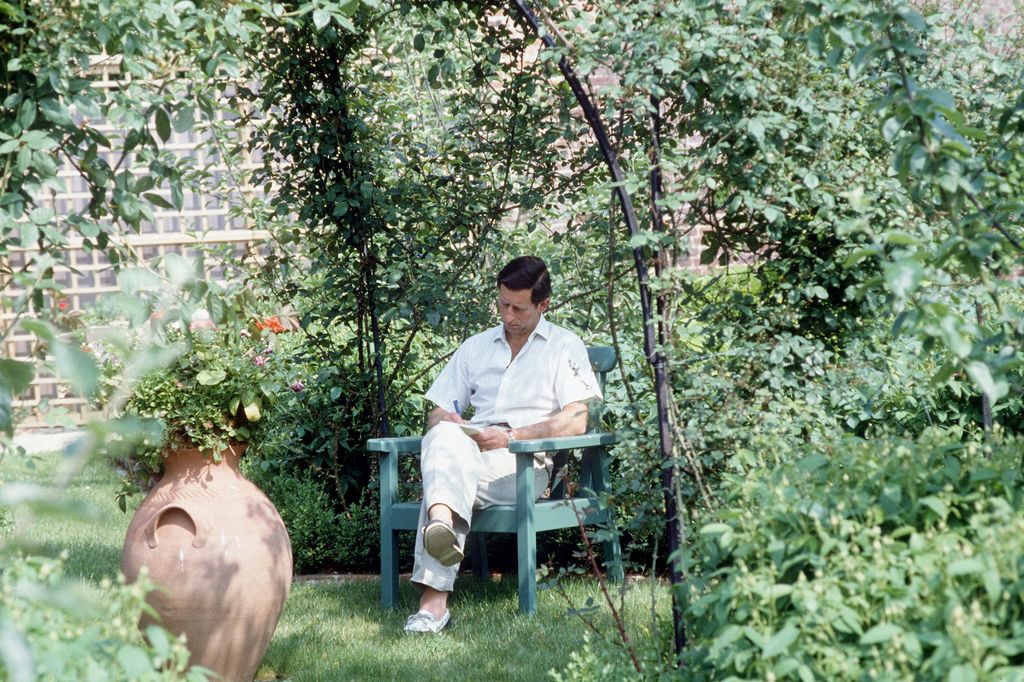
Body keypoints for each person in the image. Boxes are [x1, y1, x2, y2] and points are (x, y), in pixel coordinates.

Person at [403, 255, 603, 634]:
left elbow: (579, 418)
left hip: (523, 466)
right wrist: (452, 422)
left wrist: (512, 437)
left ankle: (433, 591)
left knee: (441, 480)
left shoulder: (563, 346)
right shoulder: (476, 347)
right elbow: (437, 412)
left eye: (518, 307)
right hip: (468, 453)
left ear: (543, 304)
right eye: (502, 304)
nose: (508, 315)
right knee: (443, 435)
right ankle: (441, 532)